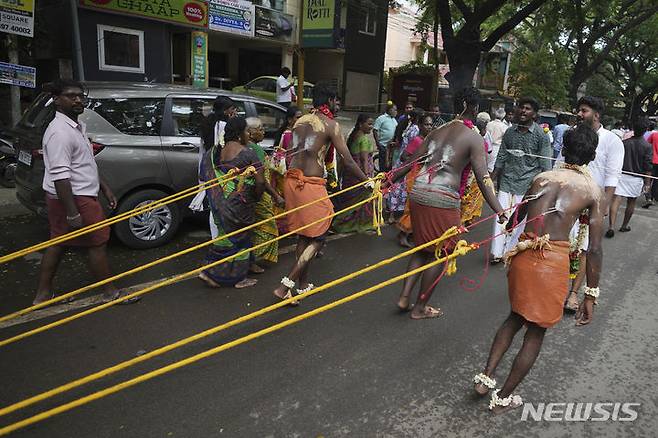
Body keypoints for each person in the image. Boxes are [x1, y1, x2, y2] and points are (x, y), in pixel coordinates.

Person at [472, 124, 604, 414]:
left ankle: (486, 379)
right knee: (535, 333)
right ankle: (503, 398)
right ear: (592, 156)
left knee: (514, 317)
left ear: (563, 149)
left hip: (523, 255)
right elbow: (593, 249)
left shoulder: (542, 177)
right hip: (551, 261)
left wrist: (508, 224)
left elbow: (521, 210)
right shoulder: (592, 190)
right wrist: (590, 295)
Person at [385, 87, 507, 319]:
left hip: (419, 192)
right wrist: (499, 210)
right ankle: (420, 308)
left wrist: (386, 181)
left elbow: (411, 162)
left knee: (423, 248)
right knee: (442, 252)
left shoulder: (436, 132)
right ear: (474, 107)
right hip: (442, 197)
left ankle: (404, 298)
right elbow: (483, 178)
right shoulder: (474, 138)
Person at [33, 79, 135, 305]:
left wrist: (105, 188)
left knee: (59, 242)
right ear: (57, 100)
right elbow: (61, 176)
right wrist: (72, 212)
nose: (78, 99)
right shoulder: (60, 132)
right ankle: (110, 292)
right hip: (74, 199)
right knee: (96, 243)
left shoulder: (76, 127)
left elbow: (85, 163)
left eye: (80, 95)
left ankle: (42, 294)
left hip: (77, 195)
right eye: (71, 95)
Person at [272, 83, 369, 302]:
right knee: (319, 236)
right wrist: (367, 181)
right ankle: (285, 285)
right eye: (336, 100)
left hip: (292, 181)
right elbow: (348, 159)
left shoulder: (300, 121)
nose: (339, 104)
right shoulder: (330, 125)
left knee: (305, 235)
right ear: (328, 101)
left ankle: (302, 284)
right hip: (309, 184)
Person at [563, 96, 624, 312]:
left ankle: (573, 294)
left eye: (584, 111)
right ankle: (553, 287)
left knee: (583, 249)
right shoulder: (572, 135)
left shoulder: (612, 141)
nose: (579, 114)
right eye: (579, 110)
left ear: (596, 115)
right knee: (560, 244)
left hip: (592, 204)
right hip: (568, 200)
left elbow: (612, 179)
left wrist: (602, 208)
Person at [198, 117, 265, 289]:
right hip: (240, 205)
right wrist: (257, 197)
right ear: (240, 133)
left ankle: (208, 270)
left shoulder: (215, 152)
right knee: (240, 239)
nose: (248, 135)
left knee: (224, 236)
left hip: (218, 202)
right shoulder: (248, 153)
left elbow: (202, 175)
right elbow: (260, 182)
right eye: (246, 132)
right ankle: (237, 278)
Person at [490, 97, 552, 263]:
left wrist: (544, 190)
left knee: (518, 221)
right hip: (506, 181)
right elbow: (501, 156)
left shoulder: (541, 135)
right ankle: (496, 253)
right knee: (500, 216)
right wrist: (490, 181)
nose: (523, 111)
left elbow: (546, 165)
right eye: (521, 108)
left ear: (535, 114)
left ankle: (509, 252)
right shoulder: (510, 132)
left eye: (528, 108)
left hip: (527, 185)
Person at [192, 96, 238, 238]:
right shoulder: (223, 126)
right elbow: (223, 148)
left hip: (209, 168)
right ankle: (222, 239)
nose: (235, 112)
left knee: (214, 206)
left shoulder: (208, 124)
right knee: (222, 205)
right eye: (232, 109)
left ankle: (216, 238)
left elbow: (203, 151)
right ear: (225, 111)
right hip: (220, 169)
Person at [245, 117, 285, 270]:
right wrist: (276, 195)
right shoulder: (256, 150)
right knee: (268, 228)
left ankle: (250, 261)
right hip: (260, 195)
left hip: (252, 194)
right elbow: (262, 180)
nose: (263, 132)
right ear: (250, 132)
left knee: (254, 228)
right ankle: (251, 260)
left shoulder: (249, 147)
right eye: (260, 129)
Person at [606, 117, 652, 237]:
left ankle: (611, 226)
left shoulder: (624, 143)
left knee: (616, 200)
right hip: (636, 177)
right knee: (631, 202)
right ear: (645, 130)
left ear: (633, 128)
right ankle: (624, 225)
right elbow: (647, 166)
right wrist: (647, 184)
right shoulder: (647, 146)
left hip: (621, 175)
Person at [332, 114, 377, 234]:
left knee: (349, 201)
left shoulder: (354, 136)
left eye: (372, 124)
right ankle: (358, 224)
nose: (371, 127)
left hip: (350, 174)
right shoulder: (364, 139)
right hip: (360, 175)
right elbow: (364, 160)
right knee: (362, 201)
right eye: (369, 124)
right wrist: (367, 178)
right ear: (361, 124)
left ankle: (343, 222)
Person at [397, 113, 434, 247]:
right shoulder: (417, 141)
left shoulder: (428, 141)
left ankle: (413, 234)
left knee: (421, 206)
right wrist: (417, 161)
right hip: (414, 175)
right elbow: (403, 157)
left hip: (424, 176)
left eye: (430, 124)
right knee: (412, 206)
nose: (429, 127)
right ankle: (402, 235)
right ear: (420, 126)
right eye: (426, 124)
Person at [387, 109, 422, 224]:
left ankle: (395, 214)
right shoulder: (415, 129)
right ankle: (395, 214)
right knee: (399, 187)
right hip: (406, 160)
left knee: (398, 186)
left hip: (403, 159)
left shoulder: (410, 127)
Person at [460, 114, 491, 225]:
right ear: (483, 130)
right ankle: (464, 220)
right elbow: (485, 160)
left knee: (468, 198)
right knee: (471, 198)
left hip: (469, 173)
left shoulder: (470, 139)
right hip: (474, 175)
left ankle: (466, 219)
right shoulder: (481, 143)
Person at [372, 102, 398, 172]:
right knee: (383, 166)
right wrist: (378, 143)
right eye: (394, 110)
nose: (396, 112)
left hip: (391, 147)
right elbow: (375, 130)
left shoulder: (394, 120)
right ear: (389, 110)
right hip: (383, 145)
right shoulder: (381, 118)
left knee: (389, 165)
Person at [486, 108, 508, 172]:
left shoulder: (489, 124)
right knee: (491, 168)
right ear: (504, 115)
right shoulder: (504, 126)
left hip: (486, 146)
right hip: (496, 148)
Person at [643, 126, 658, 208]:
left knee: (648, 180)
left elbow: (647, 144)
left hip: (652, 160)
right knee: (656, 181)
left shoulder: (654, 135)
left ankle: (648, 198)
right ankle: (654, 196)